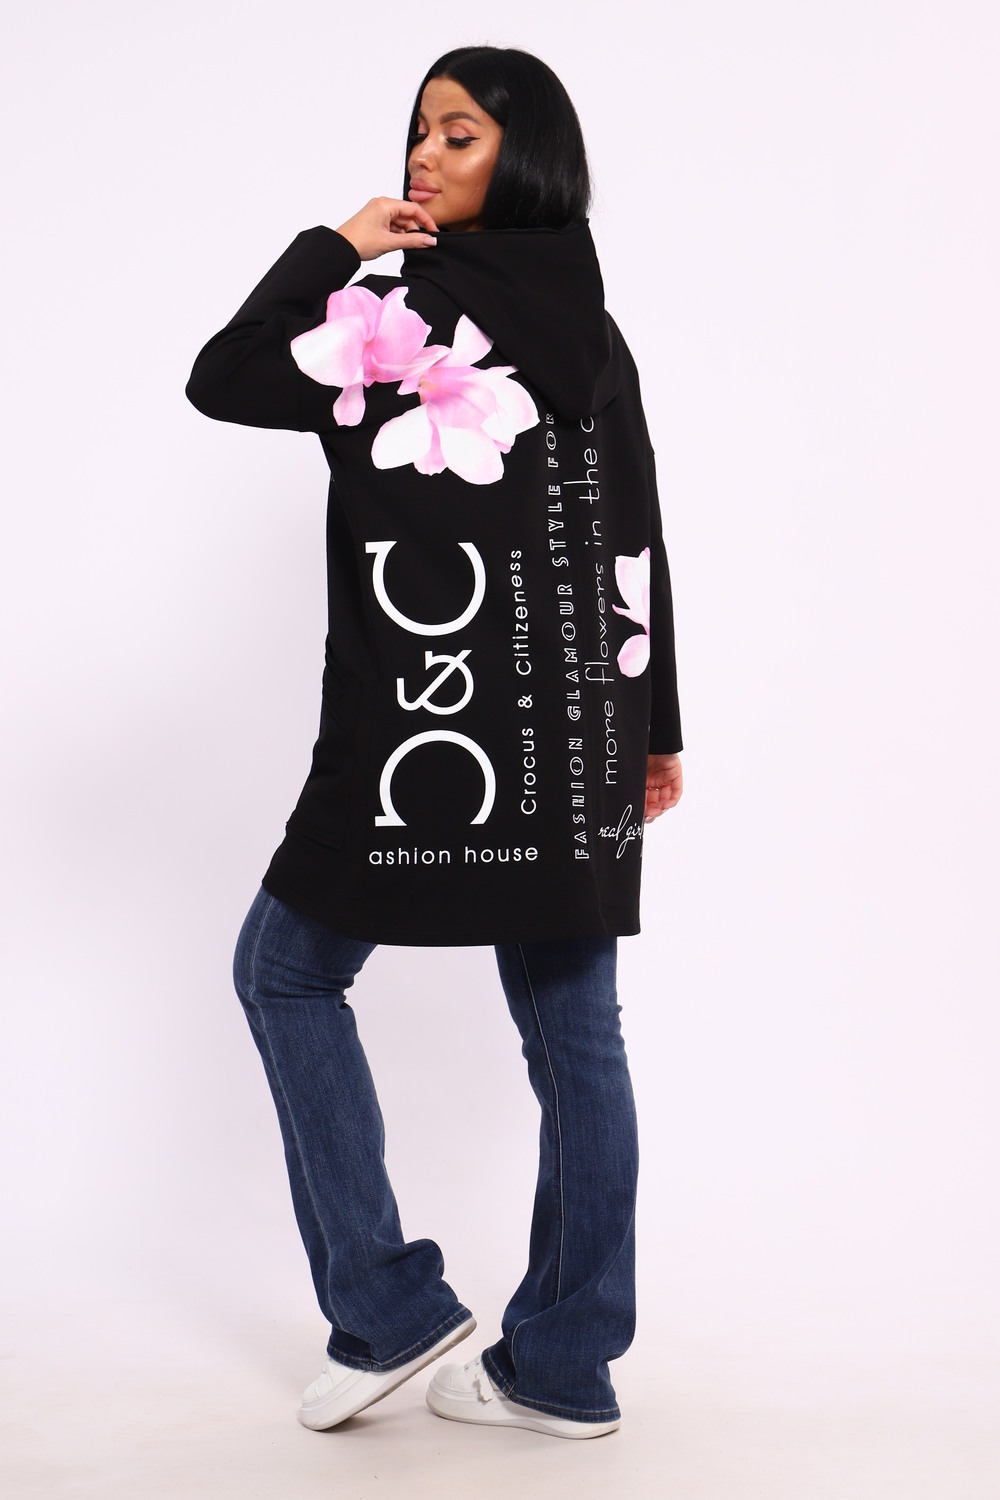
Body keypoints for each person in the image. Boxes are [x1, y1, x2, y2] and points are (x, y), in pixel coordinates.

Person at [186, 45, 683, 1441]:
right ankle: (566, 1365)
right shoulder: (593, 324)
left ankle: (388, 1306)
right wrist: (655, 725)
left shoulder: (398, 307)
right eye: (417, 133)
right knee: (577, 1033)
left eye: (457, 135)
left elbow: (224, 376)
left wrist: (336, 247)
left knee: (285, 972)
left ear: (523, 158)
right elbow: (638, 533)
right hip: (574, 728)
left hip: (425, 728)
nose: (422, 157)